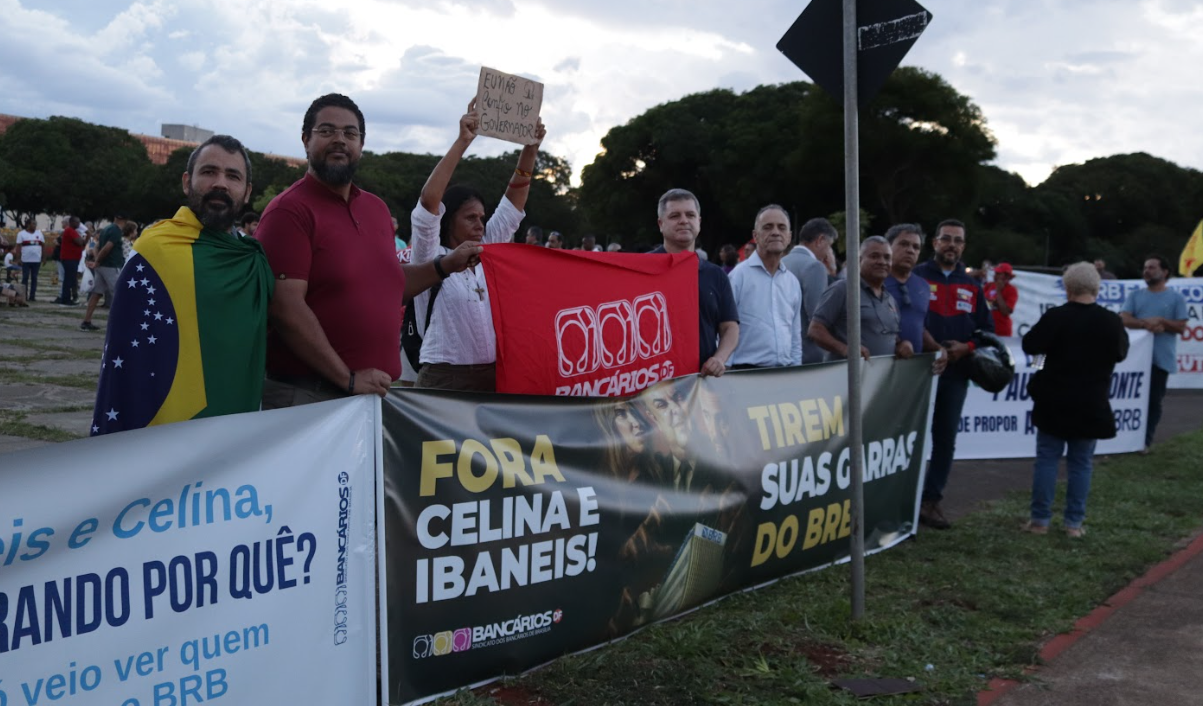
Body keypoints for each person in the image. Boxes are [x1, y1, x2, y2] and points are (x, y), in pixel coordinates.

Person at [257, 93, 482, 408]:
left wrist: (445, 265)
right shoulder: (289, 210)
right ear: (306, 140)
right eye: (327, 131)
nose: (340, 140)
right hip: (309, 396)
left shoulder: (375, 209)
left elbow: (390, 285)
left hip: (367, 396)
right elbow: (286, 307)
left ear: (361, 145)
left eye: (350, 133)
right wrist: (346, 378)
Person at [90, 135, 276, 435]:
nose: (220, 183)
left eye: (233, 176)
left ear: (247, 191)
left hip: (235, 418)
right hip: (165, 426)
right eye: (209, 172)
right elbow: (127, 357)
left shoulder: (252, 258)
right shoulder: (154, 251)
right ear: (187, 182)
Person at [409, 98, 545, 392]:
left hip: (493, 376)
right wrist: (463, 141)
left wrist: (530, 149)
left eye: (482, 218)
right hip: (443, 379)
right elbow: (429, 202)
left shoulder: (487, 252)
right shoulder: (429, 256)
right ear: (448, 220)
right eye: (470, 217)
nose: (480, 224)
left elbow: (512, 206)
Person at [1023, 262, 1129, 537]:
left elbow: (1030, 345)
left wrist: (1045, 361)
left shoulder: (1055, 316)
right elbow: (1120, 354)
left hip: (1053, 400)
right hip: (1090, 401)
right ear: (1096, 288)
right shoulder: (1111, 321)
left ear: (1067, 287)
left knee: (1047, 459)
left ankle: (1039, 521)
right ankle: (1073, 524)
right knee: (1081, 463)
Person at [914, 219, 993, 529]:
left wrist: (967, 347)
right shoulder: (917, 276)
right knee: (911, 437)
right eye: (946, 238)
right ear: (935, 243)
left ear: (963, 247)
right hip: (916, 371)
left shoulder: (973, 285)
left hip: (956, 374)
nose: (952, 245)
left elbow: (987, 330)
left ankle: (931, 501)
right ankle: (902, 498)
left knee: (945, 439)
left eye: (958, 240)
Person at [649, 188, 739, 376]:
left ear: (699, 221)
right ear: (660, 224)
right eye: (675, 216)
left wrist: (719, 358)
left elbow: (730, 327)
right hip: (652, 382)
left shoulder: (716, 275)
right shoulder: (642, 269)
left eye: (690, 215)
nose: (684, 220)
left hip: (701, 381)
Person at [1120, 255, 1188, 452]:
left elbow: (1181, 327)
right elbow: (1123, 318)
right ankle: (1125, 439)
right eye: (1145, 267)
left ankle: (1144, 441)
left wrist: (1162, 321)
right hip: (1134, 359)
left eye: (1151, 267)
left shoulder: (1176, 298)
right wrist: (1145, 324)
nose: (1146, 271)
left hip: (1160, 359)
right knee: (1129, 400)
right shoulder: (1135, 296)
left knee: (1153, 402)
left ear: (1165, 272)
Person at [809, 236, 909, 360]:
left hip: (881, 372)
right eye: (874, 256)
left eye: (887, 257)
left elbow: (889, 336)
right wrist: (845, 349)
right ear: (859, 260)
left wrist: (902, 344)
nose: (882, 262)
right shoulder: (843, 289)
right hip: (846, 371)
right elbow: (815, 330)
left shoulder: (890, 300)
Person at [727, 205, 801, 368]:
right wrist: (727, 371)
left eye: (781, 227)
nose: (775, 232)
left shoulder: (792, 282)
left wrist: (796, 370)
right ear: (755, 236)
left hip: (785, 373)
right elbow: (724, 329)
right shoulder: (738, 277)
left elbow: (795, 335)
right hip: (746, 373)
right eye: (768, 227)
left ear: (789, 237)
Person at [884, 224, 946, 373]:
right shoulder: (873, 280)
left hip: (911, 372)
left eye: (916, 247)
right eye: (904, 244)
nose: (910, 250)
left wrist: (937, 348)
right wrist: (897, 343)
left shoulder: (923, 286)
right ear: (887, 247)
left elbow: (919, 325)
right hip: (876, 368)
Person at [782, 217, 838, 363]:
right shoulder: (815, 267)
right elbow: (818, 316)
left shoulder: (782, 262)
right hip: (807, 353)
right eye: (829, 246)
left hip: (782, 350)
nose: (829, 252)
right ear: (820, 240)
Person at [80, 213, 127, 331]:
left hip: (102, 266)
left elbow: (97, 246)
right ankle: (120, 324)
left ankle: (87, 320)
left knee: (96, 293)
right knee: (118, 294)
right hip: (111, 265)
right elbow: (107, 248)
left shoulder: (106, 229)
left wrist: (97, 260)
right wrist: (98, 261)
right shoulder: (116, 231)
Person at [983, 262, 1018, 336]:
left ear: (1007, 276)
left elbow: (1005, 311)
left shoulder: (1011, 290)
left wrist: (998, 291)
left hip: (1001, 331)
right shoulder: (989, 285)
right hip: (986, 328)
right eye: (995, 273)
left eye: (998, 273)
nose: (995, 275)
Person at [56, 216, 85, 305]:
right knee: (69, 279)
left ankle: (66, 298)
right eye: (77, 222)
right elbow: (80, 242)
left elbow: (82, 243)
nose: (79, 224)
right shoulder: (70, 230)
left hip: (73, 258)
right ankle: (66, 299)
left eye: (79, 222)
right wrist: (86, 234)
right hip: (69, 258)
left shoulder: (73, 231)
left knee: (70, 278)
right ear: (71, 222)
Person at [16, 219, 45, 302]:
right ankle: (24, 295)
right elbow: (18, 247)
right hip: (25, 260)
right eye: (33, 224)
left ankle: (32, 296)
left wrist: (44, 257)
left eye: (35, 224)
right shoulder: (21, 234)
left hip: (36, 260)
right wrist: (18, 258)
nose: (35, 225)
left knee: (34, 278)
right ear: (28, 224)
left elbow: (43, 245)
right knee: (25, 277)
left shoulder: (39, 234)